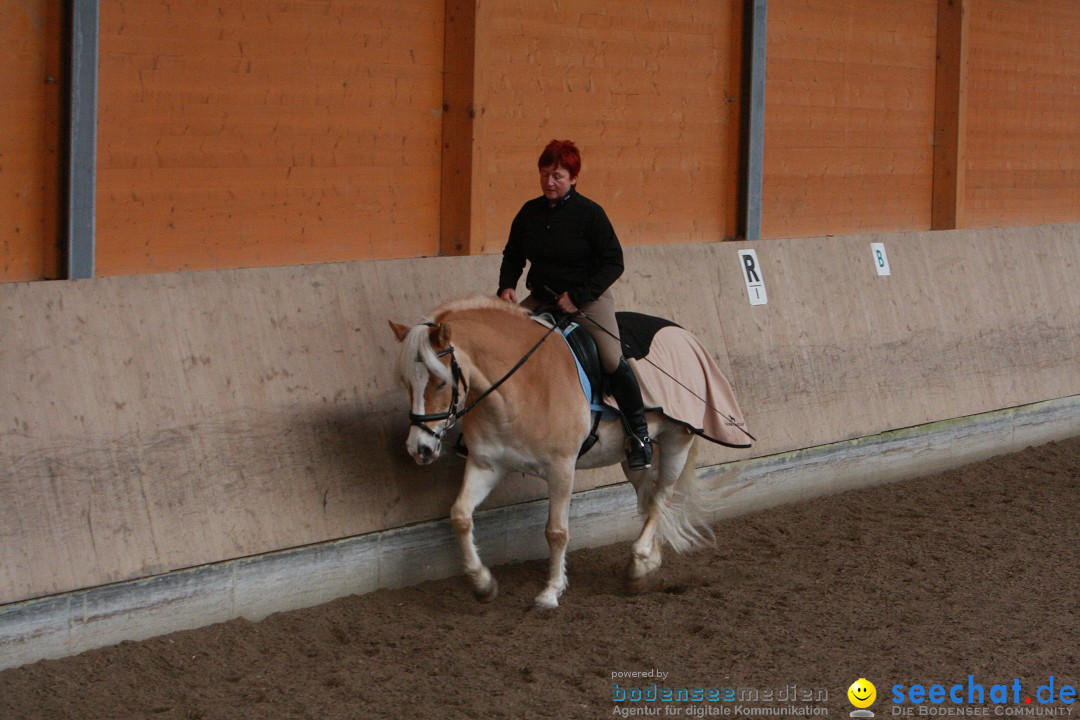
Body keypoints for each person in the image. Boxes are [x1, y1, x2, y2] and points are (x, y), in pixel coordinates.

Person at [497, 139, 653, 470]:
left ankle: (639, 435)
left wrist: (579, 295)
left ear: (574, 177)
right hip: (541, 297)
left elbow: (614, 262)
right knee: (502, 347)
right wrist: (507, 286)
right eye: (544, 175)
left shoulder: (591, 215)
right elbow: (513, 255)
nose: (549, 183)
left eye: (557, 176)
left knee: (612, 358)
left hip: (588, 299)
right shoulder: (529, 212)